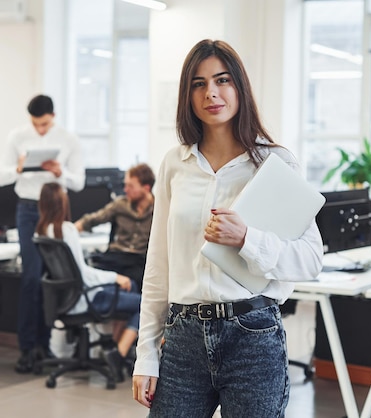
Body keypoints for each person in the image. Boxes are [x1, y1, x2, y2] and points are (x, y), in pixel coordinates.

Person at [131, 39, 324, 417]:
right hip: (183, 335)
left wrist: (247, 239)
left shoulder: (275, 163)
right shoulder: (175, 163)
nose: (211, 93)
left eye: (222, 80)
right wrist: (146, 356)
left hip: (253, 335)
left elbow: (310, 260)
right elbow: (158, 267)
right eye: (198, 84)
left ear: (240, 87)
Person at [0, 94, 85, 374]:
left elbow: (78, 183)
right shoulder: (18, 136)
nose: (41, 129)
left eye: (45, 124)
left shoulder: (69, 139)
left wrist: (60, 173)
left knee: (53, 277)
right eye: (36, 124)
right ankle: (27, 347)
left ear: (53, 116)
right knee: (31, 278)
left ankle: (45, 346)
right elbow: (0, 177)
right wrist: (19, 167)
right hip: (28, 209)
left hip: (56, 208)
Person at [36, 182, 141, 382]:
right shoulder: (66, 229)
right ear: (62, 204)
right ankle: (117, 355)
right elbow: (83, 275)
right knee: (143, 303)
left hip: (66, 299)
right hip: (85, 298)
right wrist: (115, 277)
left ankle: (114, 349)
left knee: (131, 288)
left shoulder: (41, 230)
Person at [74, 163, 155, 292]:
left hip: (139, 261)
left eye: (130, 186)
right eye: (125, 184)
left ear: (146, 188)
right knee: (91, 278)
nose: (125, 189)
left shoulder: (159, 210)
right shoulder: (120, 205)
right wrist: (68, 231)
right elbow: (92, 219)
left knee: (144, 283)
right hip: (116, 257)